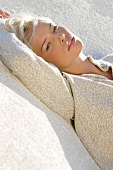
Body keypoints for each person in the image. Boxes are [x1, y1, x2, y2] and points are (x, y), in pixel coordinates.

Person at [1, 12, 112, 80]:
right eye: (48, 45)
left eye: (54, 28)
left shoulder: (109, 59)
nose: (60, 36)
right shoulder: (77, 94)